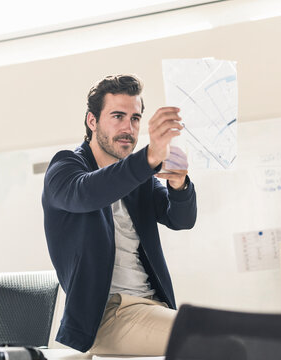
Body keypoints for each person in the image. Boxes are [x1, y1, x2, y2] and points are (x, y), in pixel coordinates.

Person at [42, 74, 197, 355]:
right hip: (107, 316)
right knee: (218, 338)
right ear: (92, 122)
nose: (129, 127)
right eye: (118, 116)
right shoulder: (65, 168)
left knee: (223, 333)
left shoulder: (138, 178)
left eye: (135, 118)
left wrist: (178, 183)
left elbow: (181, 219)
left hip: (152, 306)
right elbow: (89, 192)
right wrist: (149, 157)